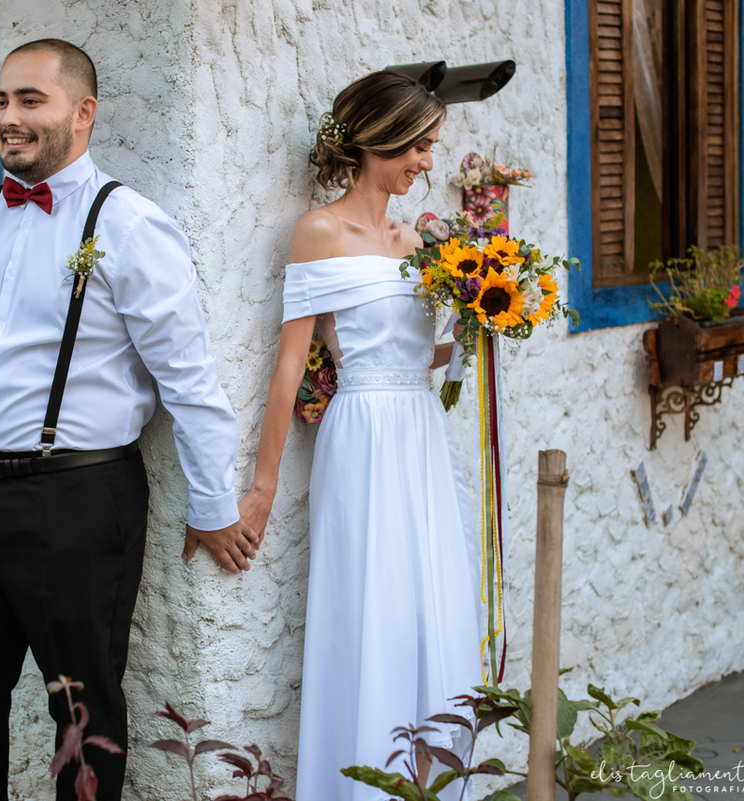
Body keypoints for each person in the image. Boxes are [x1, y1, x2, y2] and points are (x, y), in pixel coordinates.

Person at [0, 38, 257, 801]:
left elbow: (189, 378)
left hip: (73, 501)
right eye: (1, 101)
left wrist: (214, 504)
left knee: (82, 718)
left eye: (30, 100)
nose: (9, 117)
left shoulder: (129, 224)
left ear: (83, 112)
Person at [239, 70, 484, 801]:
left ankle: (432, 784)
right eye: (418, 146)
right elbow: (289, 369)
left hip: (421, 433)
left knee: (431, 607)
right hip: (362, 438)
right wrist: (260, 490)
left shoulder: (420, 242)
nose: (427, 163)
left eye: (431, 148)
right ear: (378, 139)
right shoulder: (320, 233)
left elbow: (417, 354)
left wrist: (479, 331)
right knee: (372, 607)